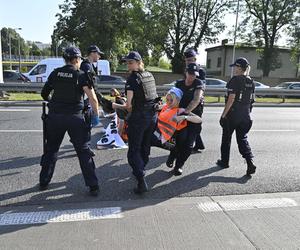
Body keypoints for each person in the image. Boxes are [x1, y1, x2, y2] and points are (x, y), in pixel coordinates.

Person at [39, 47, 101, 196]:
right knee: (83, 151)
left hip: (55, 117)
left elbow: (44, 94)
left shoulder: (55, 73)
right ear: (76, 59)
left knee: (51, 149)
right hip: (75, 118)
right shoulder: (81, 75)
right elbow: (92, 98)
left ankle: (44, 181)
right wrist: (96, 115)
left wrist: (54, 104)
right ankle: (93, 186)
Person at [112, 51, 157, 194]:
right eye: (127, 62)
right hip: (152, 116)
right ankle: (141, 168)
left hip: (139, 118)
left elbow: (128, 106)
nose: (128, 65)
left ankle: (141, 179)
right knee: (145, 145)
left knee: (133, 151)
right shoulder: (149, 75)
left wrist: (113, 105)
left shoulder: (132, 79)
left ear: (139, 62)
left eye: (131, 62)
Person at [216, 57, 256, 176]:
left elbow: (231, 99)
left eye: (235, 67)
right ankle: (250, 162)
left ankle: (224, 161)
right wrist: (247, 113)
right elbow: (252, 99)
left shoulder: (235, 80)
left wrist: (223, 115)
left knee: (226, 139)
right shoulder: (251, 81)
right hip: (246, 115)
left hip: (233, 114)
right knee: (242, 139)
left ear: (239, 68)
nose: (234, 69)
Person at [166, 63, 205, 175]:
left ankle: (179, 166)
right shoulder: (179, 84)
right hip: (179, 117)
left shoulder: (199, 83)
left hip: (193, 117)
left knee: (189, 145)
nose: (192, 76)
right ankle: (172, 156)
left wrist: (185, 112)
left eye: (194, 74)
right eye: (190, 74)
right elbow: (172, 98)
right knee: (179, 141)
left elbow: (196, 100)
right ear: (186, 72)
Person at [80, 45, 106, 141]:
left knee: (87, 125)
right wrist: (96, 107)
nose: (99, 56)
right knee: (86, 126)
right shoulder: (86, 66)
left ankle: (82, 142)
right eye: (98, 54)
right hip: (85, 100)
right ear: (92, 53)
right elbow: (89, 87)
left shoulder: (89, 65)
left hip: (87, 99)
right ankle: (83, 145)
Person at [184, 48, 206, 152]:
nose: (188, 62)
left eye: (190, 60)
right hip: (188, 100)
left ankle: (194, 145)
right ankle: (199, 144)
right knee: (190, 124)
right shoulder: (187, 69)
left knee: (196, 124)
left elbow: (200, 86)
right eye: (187, 60)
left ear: (195, 59)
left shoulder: (200, 71)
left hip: (197, 101)